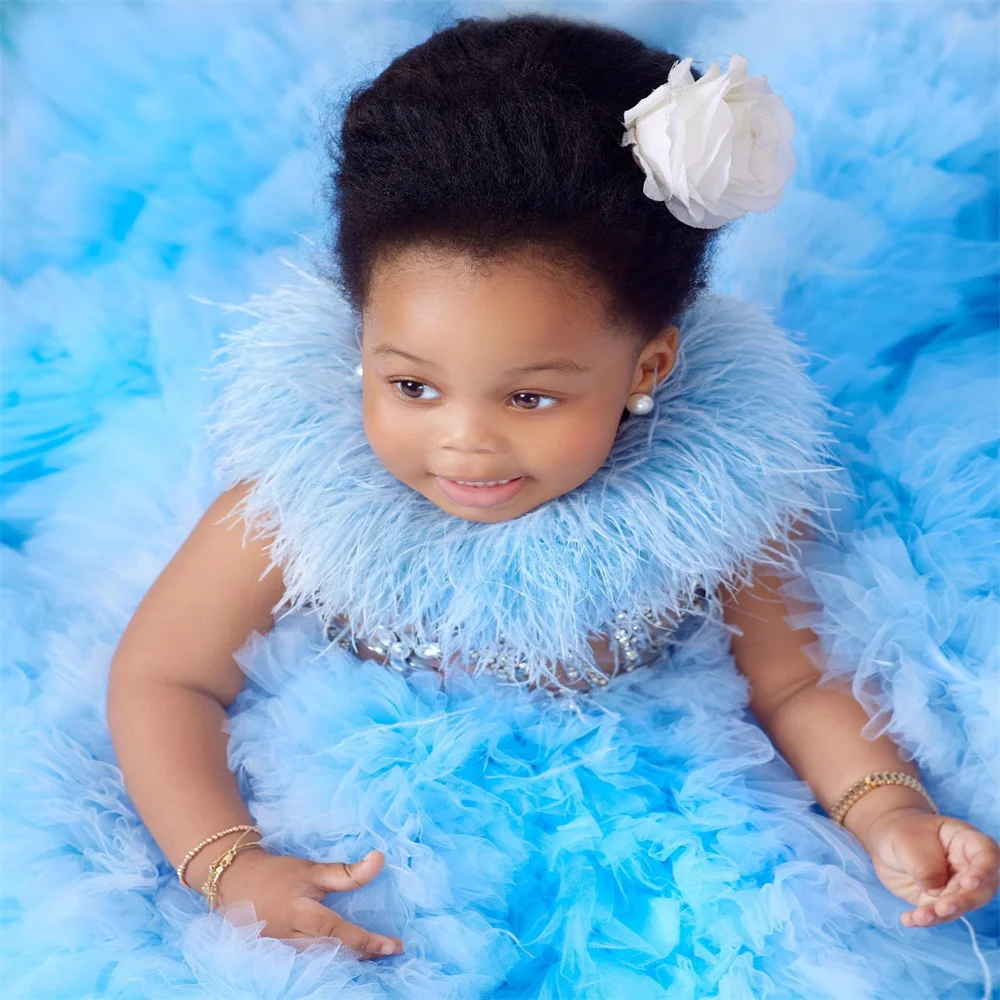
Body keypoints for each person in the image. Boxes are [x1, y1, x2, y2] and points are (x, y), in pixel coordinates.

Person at [100, 12, 997, 997]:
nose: (464, 440)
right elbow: (164, 678)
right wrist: (227, 861)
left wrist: (886, 811)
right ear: (361, 341)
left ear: (646, 366)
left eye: (530, 397)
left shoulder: (712, 496)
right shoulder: (301, 498)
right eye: (411, 385)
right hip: (382, 827)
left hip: (634, 819)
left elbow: (792, 682)